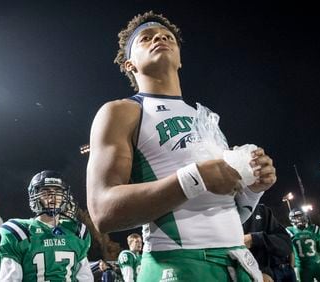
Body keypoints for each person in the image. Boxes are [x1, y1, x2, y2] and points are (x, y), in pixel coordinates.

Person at [86, 11, 277, 281]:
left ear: (180, 59)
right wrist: (195, 177)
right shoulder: (122, 112)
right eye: (146, 38)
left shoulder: (205, 117)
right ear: (130, 64)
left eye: (168, 37)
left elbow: (228, 216)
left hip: (237, 260)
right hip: (177, 264)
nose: (160, 38)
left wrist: (253, 190)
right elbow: (102, 212)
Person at [0, 170, 93, 281]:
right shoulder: (20, 232)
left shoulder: (76, 232)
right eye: (46, 191)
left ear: (64, 196)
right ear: (35, 195)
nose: (52, 197)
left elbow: (85, 278)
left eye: (57, 191)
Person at [242, 204, 296, 282]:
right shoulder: (221, 214)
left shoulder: (262, 211)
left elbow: (287, 245)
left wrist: (255, 238)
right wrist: (257, 273)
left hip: (278, 269)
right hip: (254, 273)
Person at [286, 208, 320, 282]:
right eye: (297, 217)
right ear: (292, 219)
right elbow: (288, 252)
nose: (300, 219)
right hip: (303, 268)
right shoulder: (290, 231)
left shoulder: (314, 229)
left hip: (317, 265)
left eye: (301, 216)